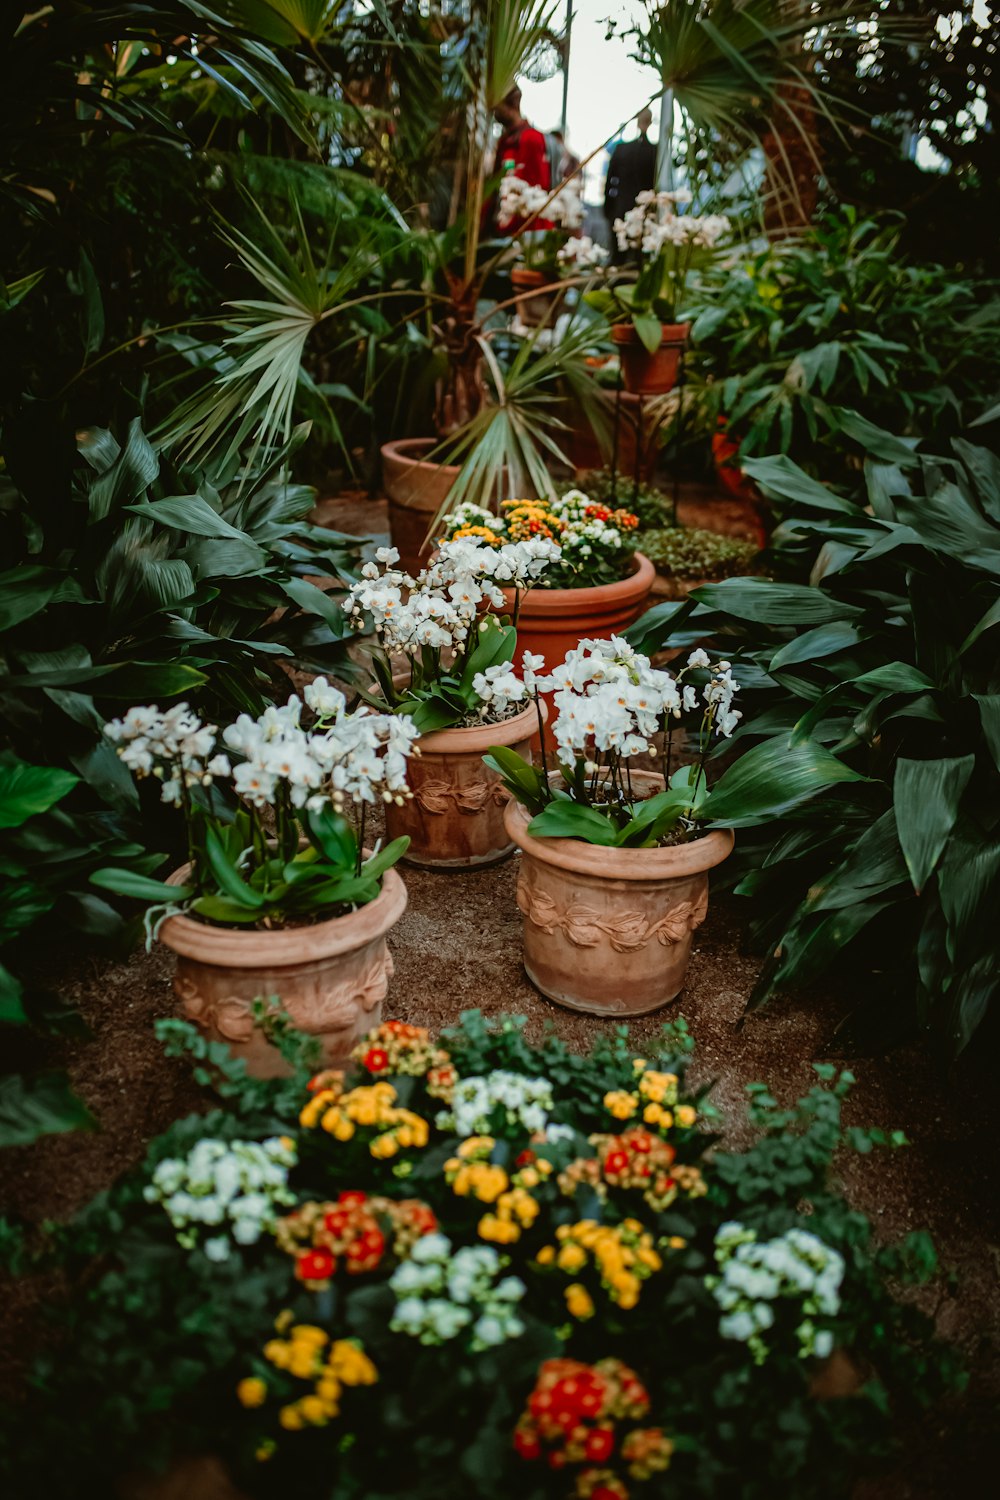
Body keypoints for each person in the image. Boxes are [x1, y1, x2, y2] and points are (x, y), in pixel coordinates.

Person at [490, 85, 552, 233]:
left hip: (526, 230)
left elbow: (537, 189)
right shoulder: (505, 141)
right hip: (505, 228)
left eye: (497, 106)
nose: (494, 111)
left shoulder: (531, 139)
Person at [604, 108, 657, 258]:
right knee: (638, 257)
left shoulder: (622, 149)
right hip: (640, 211)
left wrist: (608, 208)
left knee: (619, 256)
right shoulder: (654, 151)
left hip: (623, 209)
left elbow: (609, 181)